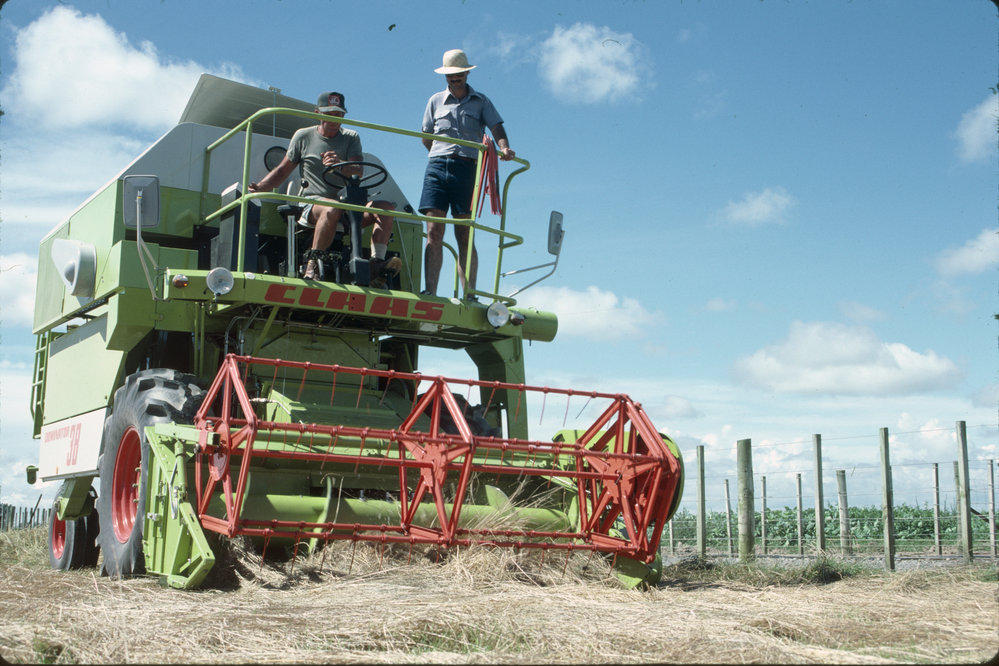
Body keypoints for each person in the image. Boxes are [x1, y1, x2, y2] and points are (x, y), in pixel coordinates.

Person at [250, 91, 400, 285]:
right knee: (331, 208)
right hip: (312, 204)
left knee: (386, 208)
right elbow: (281, 171)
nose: (334, 119)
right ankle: (312, 264)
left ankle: (376, 265)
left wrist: (340, 164)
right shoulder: (303, 136)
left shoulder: (351, 137)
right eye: (329, 114)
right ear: (317, 113)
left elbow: (358, 170)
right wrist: (258, 188)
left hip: (345, 205)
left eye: (338, 114)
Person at [419, 49, 515, 297]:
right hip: (437, 167)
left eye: (459, 73)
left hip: (467, 169)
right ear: (445, 76)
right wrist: (442, 153)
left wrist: (504, 147)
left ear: (466, 73)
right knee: (434, 231)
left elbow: (496, 127)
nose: (455, 78)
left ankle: (469, 294)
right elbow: (426, 136)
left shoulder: (481, 101)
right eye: (450, 74)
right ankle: (430, 292)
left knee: (464, 233)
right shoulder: (434, 101)